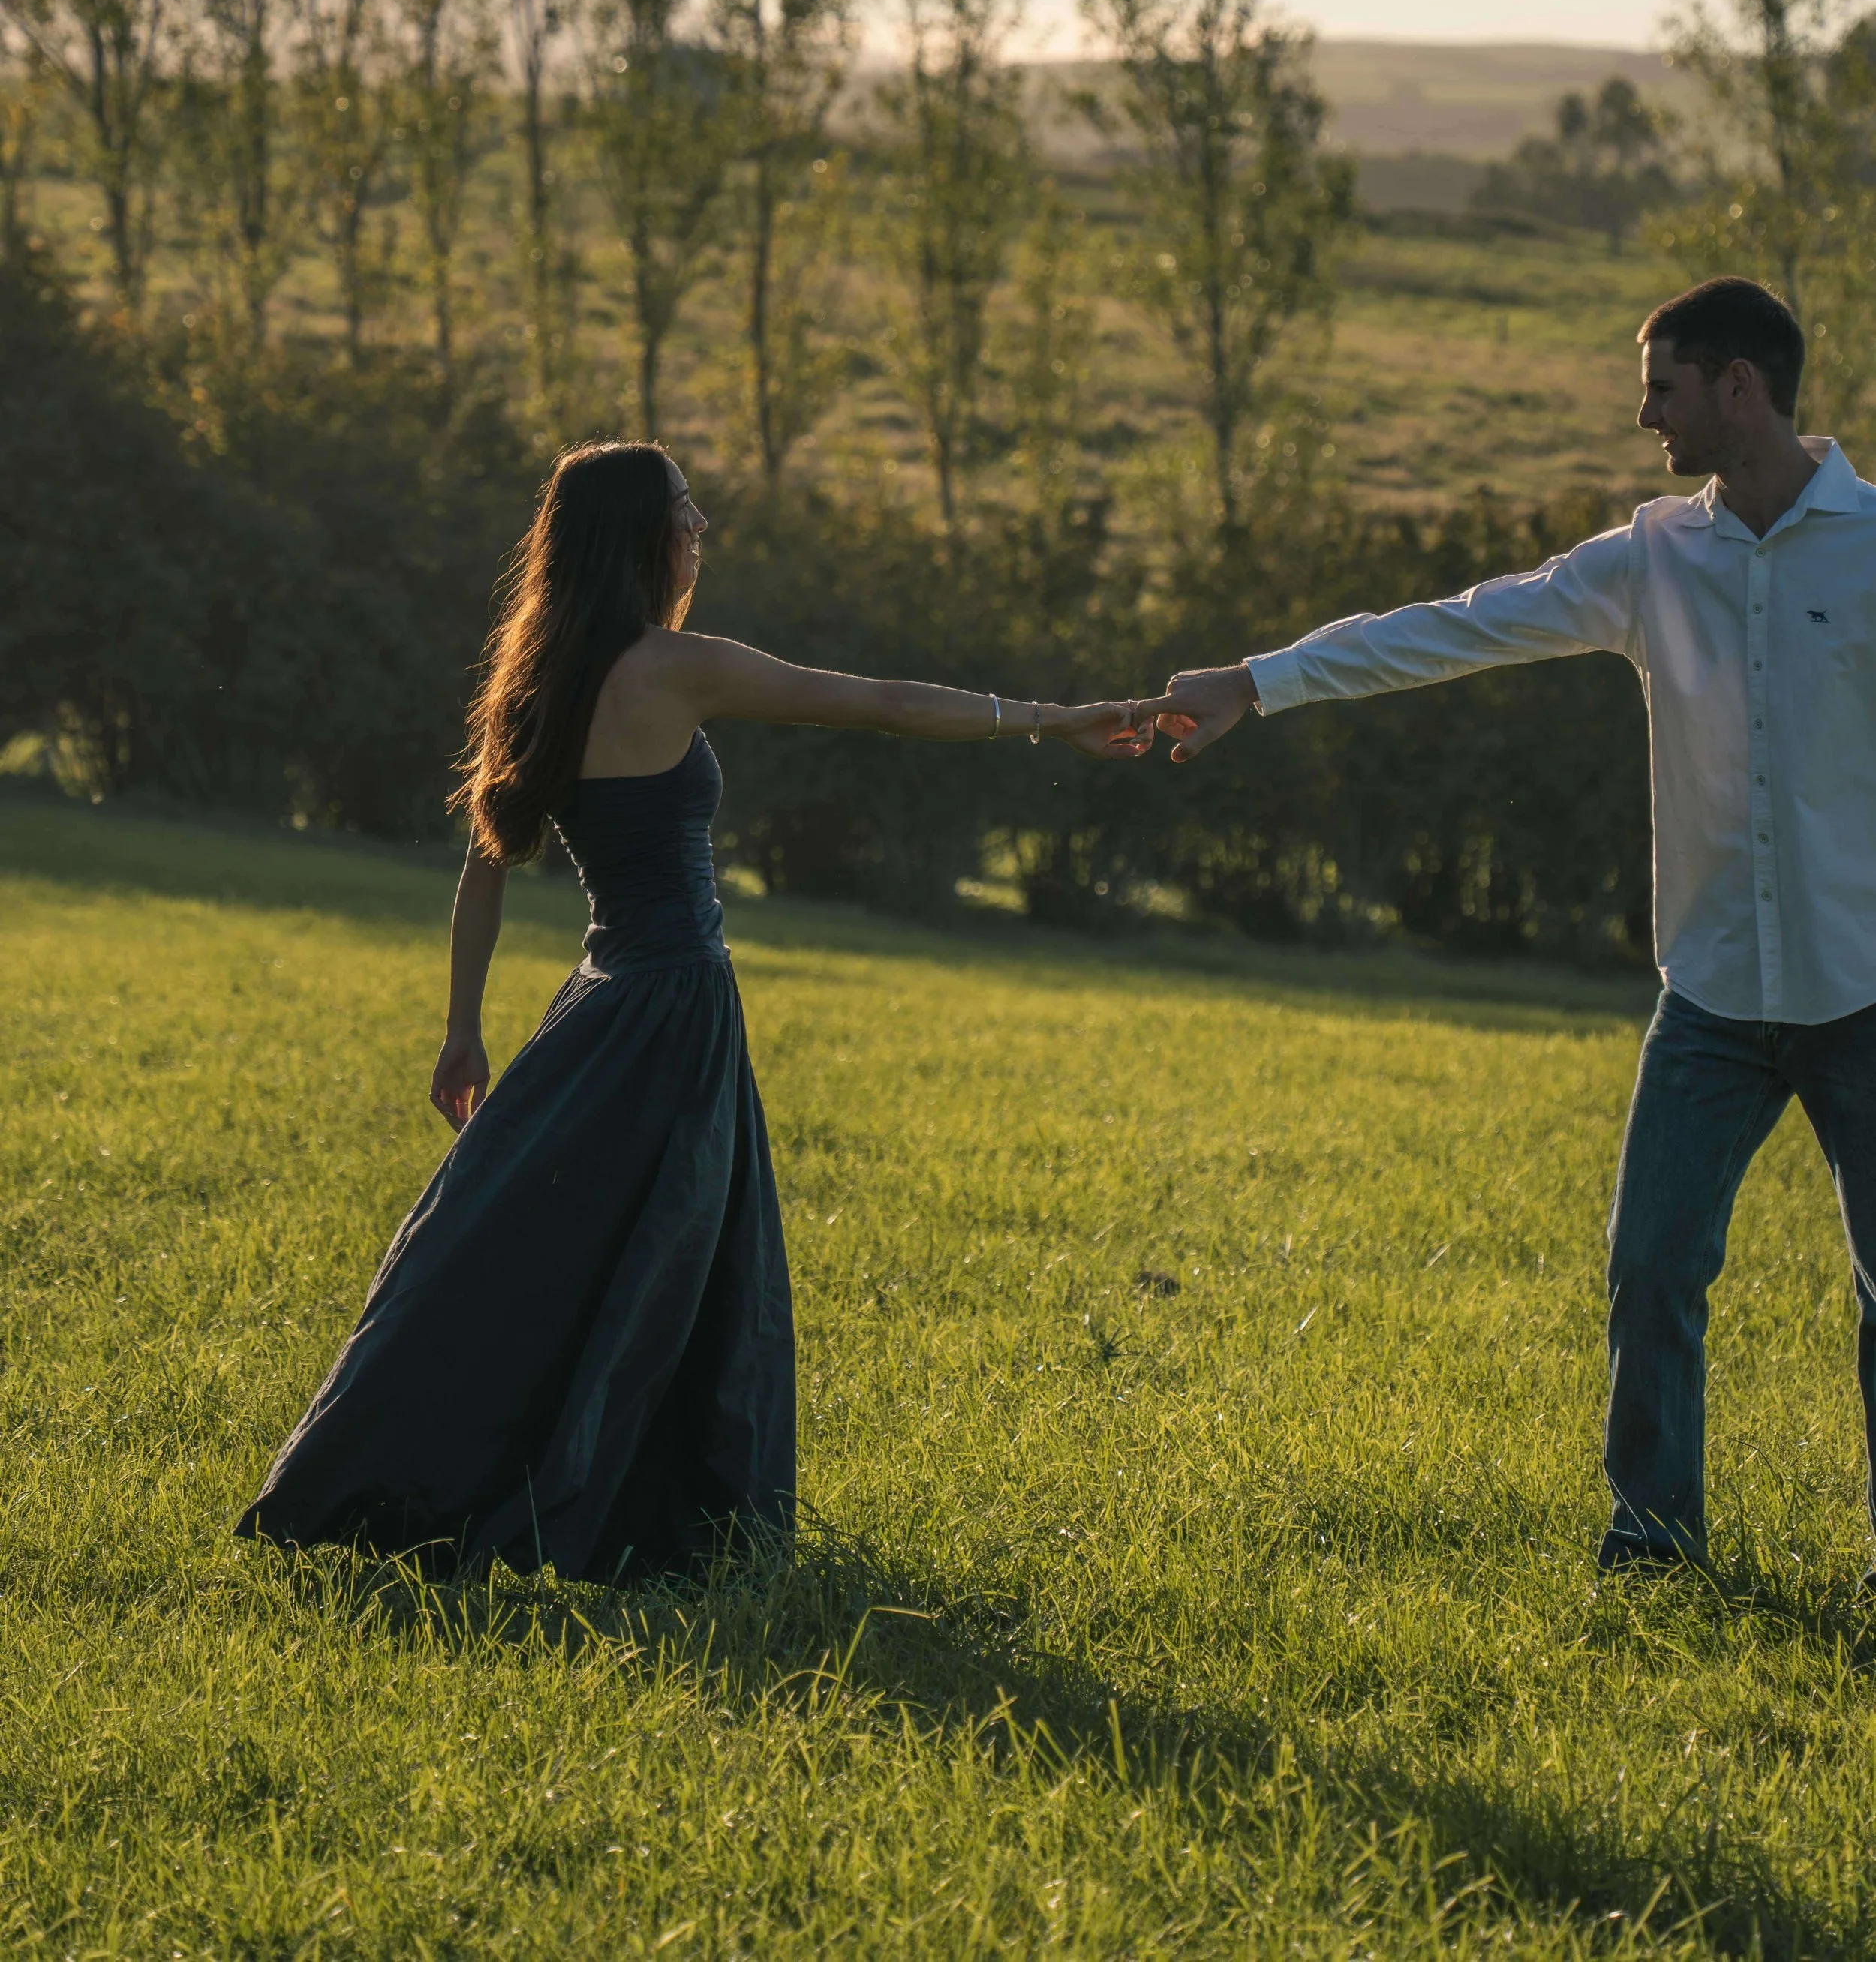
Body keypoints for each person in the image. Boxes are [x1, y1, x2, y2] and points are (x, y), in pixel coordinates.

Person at [236, 440, 1158, 1585]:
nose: (701, 521)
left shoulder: (539, 681)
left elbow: (487, 860)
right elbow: (874, 702)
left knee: (528, 1252)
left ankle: (489, 1491)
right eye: (683, 508)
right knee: (668, 1266)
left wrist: (464, 1025)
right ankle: (661, 1519)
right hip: (673, 1008)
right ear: (637, 537)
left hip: (598, 1003)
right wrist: (1054, 716)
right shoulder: (670, 667)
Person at [1153, 275, 1876, 1574]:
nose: (1641, 411)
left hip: (1865, 987)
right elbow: (1454, 630)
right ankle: (1653, 1545)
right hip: (1711, 991)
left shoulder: (1875, 551)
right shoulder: (1653, 556)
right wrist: (1253, 686)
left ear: (1739, 387)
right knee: (1650, 1267)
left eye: (1661, 384)